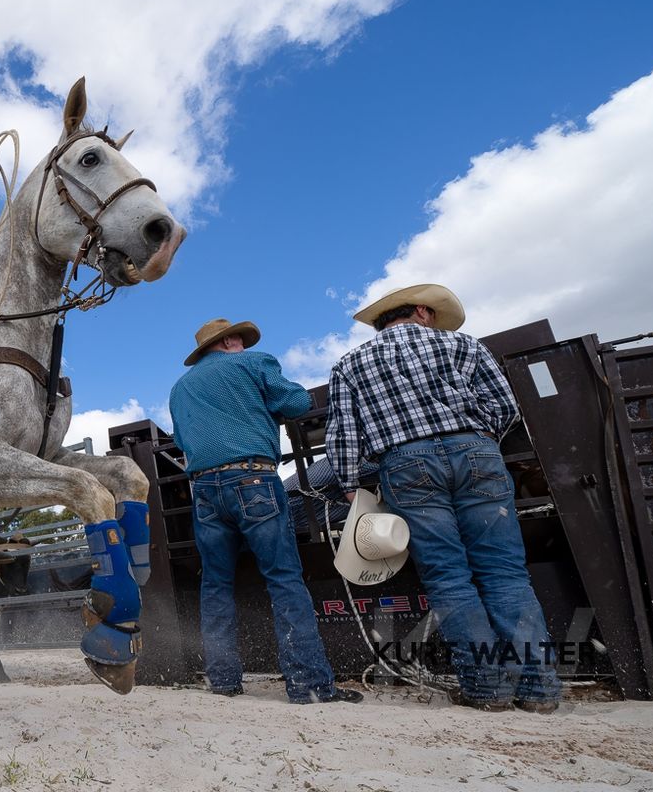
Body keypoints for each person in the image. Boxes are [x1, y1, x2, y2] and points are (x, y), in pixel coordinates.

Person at [324, 283, 562, 713]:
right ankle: (539, 687)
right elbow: (505, 405)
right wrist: (479, 435)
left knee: (449, 578)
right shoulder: (462, 345)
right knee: (506, 574)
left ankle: (488, 688)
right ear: (421, 311)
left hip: (405, 464)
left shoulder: (349, 364)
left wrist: (348, 481)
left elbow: (342, 433)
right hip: (476, 454)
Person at [169, 318, 362, 703]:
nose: (241, 341)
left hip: (204, 489)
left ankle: (223, 681)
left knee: (216, 586)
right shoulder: (253, 362)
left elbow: (180, 438)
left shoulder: (180, 388)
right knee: (284, 578)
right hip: (253, 479)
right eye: (238, 337)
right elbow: (296, 402)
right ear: (229, 341)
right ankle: (308, 683)